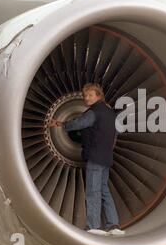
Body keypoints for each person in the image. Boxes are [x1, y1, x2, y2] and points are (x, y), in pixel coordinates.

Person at [50, 83, 124, 236]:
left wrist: (60, 123)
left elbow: (79, 124)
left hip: (96, 157)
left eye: (90, 95)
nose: (86, 98)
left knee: (93, 191)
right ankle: (113, 225)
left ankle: (93, 226)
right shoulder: (111, 113)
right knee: (104, 191)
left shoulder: (93, 112)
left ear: (98, 96)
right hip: (106, 157)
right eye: (85, 95)